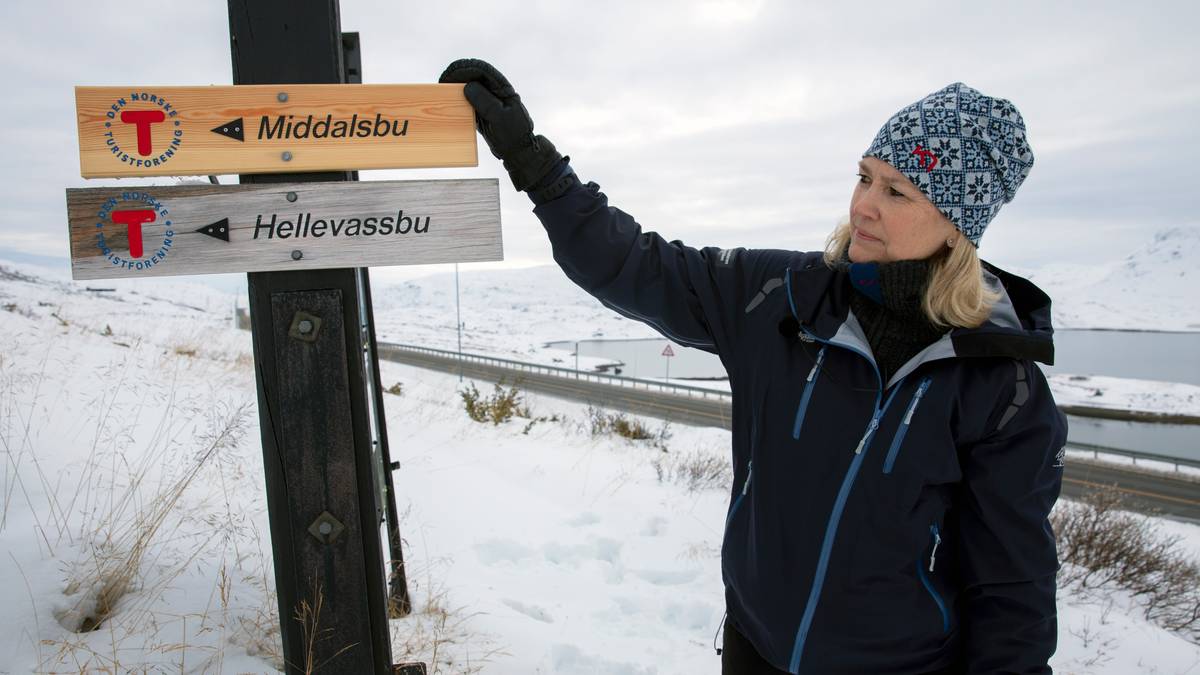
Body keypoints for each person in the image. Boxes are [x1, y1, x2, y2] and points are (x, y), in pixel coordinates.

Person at [439, 59, 1068, 674]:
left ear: (958, 226)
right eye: (864, 176)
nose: (863, 206)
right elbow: (631, 264)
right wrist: (535, 165)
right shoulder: (781, 297)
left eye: (896, 190)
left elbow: (1012, 593)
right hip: (754, 647)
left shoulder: (1001, 386)